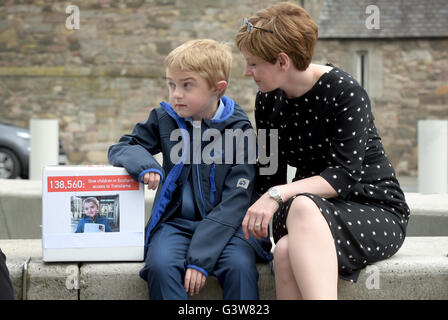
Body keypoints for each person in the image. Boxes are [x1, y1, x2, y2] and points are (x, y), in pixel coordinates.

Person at [236, 2, 410, 300]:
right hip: (305, 213)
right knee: (285, 251)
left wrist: (276, 195)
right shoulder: (266, 101)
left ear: (282, 61)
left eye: (252, 64)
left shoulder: (345, 92)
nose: (246, 72)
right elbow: (269, 173)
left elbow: (342, 176)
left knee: (301, 213)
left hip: (373, 209)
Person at [108, 39, 272, 300]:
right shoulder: (164, 119)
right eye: (171, 84)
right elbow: (123, 147)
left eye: (187, 85)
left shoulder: (240, 131)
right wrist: (147, 166)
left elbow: (236, 201)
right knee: (160, 267)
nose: (176, 94)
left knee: (239, 268)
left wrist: (200, 259)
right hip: (175, 224)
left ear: (217, 89)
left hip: (228, 228)